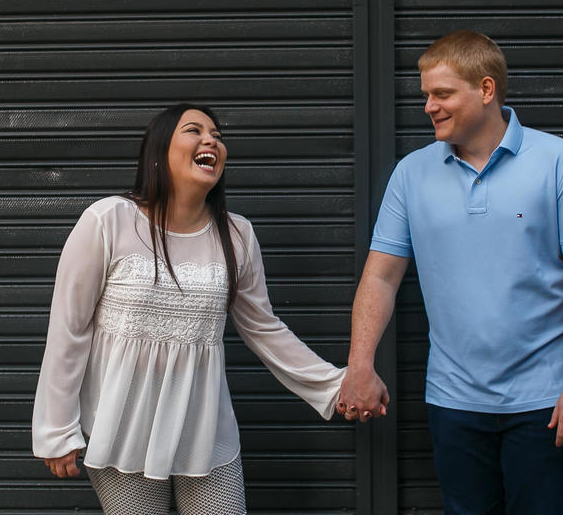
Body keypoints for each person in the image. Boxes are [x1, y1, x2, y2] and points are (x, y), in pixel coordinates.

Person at [336, 30, 563, 515]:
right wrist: (359, 364)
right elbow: (380, 277)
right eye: (425, 95)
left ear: (486, 90)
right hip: (453, 400)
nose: (429, 107)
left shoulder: (560, 163)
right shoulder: (411, 174)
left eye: (442, 94)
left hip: (545, 402)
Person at [33, 103, 345, 515]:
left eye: (217, 134)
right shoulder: (108, 220)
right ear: (160, 151)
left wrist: (337, 385)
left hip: (203, 431)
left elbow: (264, 329)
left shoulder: (237, 235)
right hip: (123, 426)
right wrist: (57, 430)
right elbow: (68, 330)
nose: (211, 140)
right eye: (194, 130)